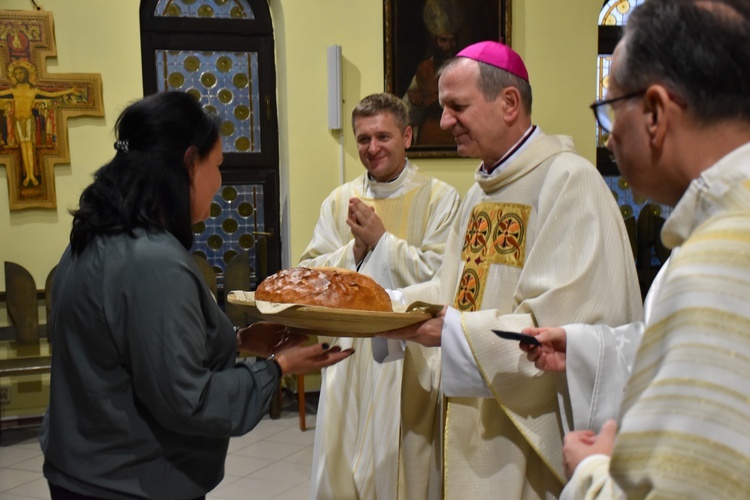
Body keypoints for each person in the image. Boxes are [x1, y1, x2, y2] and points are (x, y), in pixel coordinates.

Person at [40, 91, 354, 500]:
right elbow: (191, 402)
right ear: (189, 163)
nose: (220, 182)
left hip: (83, 469)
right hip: (130, 481)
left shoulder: (95, 236)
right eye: (218, 165)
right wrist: (277, 368)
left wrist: (239, 342)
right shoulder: (153, 261)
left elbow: (134, 353)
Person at [378, 41, 644, 499]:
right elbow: (453, 288)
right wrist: (389, 305)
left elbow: (560, 329)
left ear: (508, 103)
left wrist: (452, 334)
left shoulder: (568, 182)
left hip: (520, 438)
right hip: (468, 413)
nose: (442, 123)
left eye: (456, 106)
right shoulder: (481, 192)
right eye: (442, 108)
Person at [529, 1, 750, 497]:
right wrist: (585, 346)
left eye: (609, 110)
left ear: (654, 113)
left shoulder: (718, 261)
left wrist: (592, 470)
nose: (608, 140)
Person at [299, 92, 460, 499]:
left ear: (407, 136)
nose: (372, 149)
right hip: (349, 355)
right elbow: (311, 274)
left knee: (399, 465)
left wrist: (383, 242)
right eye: (363, 139)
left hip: (408, 354)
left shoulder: (441, 198)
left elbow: (445, 278)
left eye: (382, 137)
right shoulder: (340, 200)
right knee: (343, 457)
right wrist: (355, 250)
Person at [0, 61, 80, 187]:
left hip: (28, 120)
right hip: (18, 122)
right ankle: (27, 175)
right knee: (23, 148)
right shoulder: (13, 89)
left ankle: (31, 175)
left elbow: (52, 94)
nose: (18, 76)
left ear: (25, 74)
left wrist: (69, 90)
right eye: (16, 74)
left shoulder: (33, 90)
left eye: (20, 73)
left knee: (29, 148)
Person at [402, 0, 463, 146]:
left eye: (452, 40)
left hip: (457, 135)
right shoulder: (424, 69)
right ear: (435, 42)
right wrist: (415, 103)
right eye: (443, 40)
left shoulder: (465, 68)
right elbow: (406, 113)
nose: (449, 46)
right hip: (429, 135)